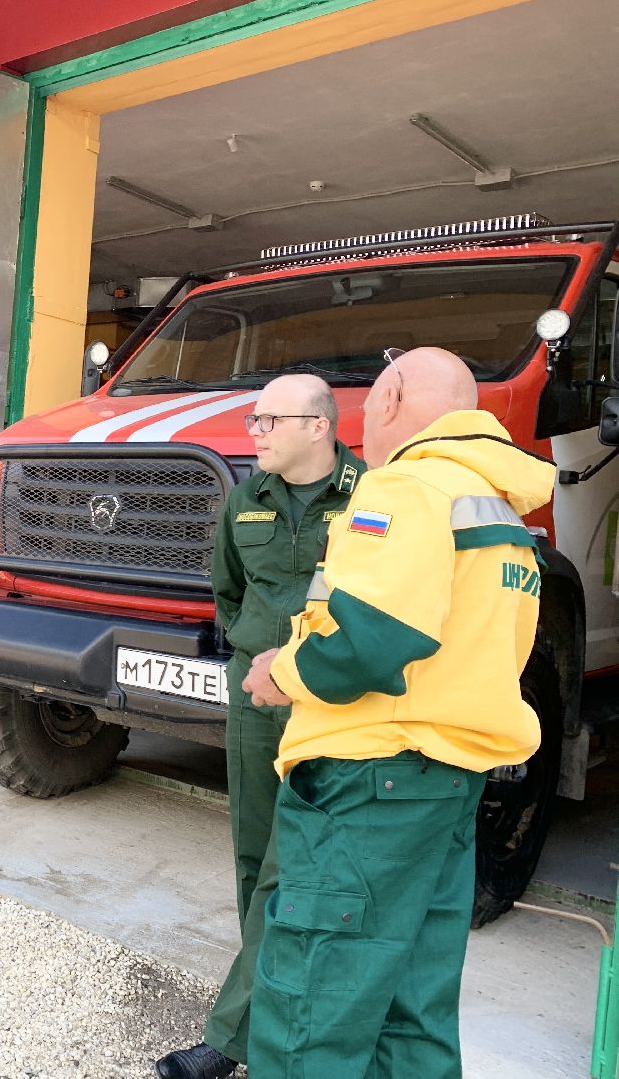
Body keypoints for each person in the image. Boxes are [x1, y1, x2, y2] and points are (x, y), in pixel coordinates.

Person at [241, 347, 555, 1078]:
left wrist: (279, 672)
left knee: (312, 1007)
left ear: (387, 402)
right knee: (414, 1012)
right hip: (449, 786)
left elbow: (367, 640)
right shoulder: (502, 512)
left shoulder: (404, 489)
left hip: (369, 786)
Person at [156, 374, 364, 1079]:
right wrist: (257, 658)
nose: (254, 432)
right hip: (255, 698)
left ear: (317, 426)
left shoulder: (373, 496)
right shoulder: (244, 499)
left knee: (293, 868)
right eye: (254, 420)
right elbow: (229, 591)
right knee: (254, 860)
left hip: (332, 702)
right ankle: (267, 1007)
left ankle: (234, 1036)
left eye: (268, 419)